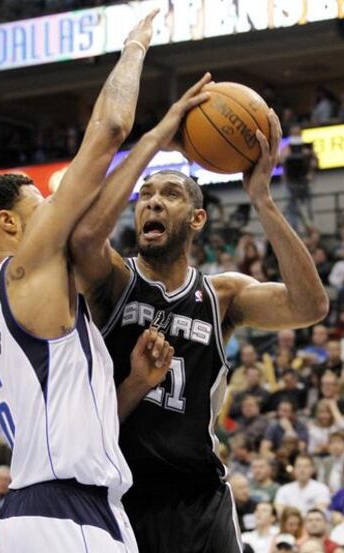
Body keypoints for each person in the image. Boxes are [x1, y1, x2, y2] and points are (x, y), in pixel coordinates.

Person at [69, 82, 328, 550]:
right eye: (146, 193)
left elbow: (310, 306)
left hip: (201, 496)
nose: (152, 200)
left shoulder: (222, 295)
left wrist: (263, 200)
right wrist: (157, 136)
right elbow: (84, 240)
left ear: (196, 218)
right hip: (123, 495)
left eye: (169, 194)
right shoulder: (114, 281)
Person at [0, 11, 174, 553]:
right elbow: (107, 132)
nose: (59, 215)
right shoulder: (25, 270)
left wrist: (132, 385)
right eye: (43, 207)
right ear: (9, 224)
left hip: (53, 511)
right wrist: (135, 47)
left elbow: (66, 422)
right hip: (65, 515)